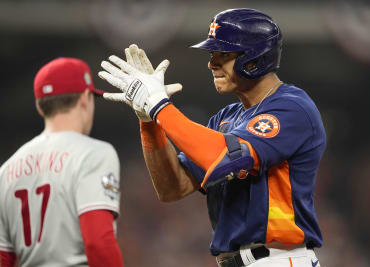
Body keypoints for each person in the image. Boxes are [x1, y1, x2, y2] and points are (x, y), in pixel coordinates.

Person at [99, 8, 326, 267]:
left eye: (223, 54)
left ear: (254, 58)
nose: (212, 63)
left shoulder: (292, 107)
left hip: (280, 259)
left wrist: (159, 106)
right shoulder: (226, 118)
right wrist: (149, 121)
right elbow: (173, 187)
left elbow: (228, 157)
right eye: (212, 54)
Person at [0, 57, 124, 267]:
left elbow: (3, 258)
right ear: (86, 98)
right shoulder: (94, 153)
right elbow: (97, 242)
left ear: (40, 107)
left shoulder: (6, 170)